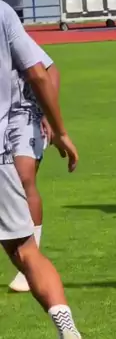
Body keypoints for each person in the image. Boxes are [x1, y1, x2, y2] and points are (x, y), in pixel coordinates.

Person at [0, 0, 99, 339]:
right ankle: (68, 332)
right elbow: (40, 72)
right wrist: (60, 129)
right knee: (27, 252)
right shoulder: (3, 12)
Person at [7, 40, 59, 293]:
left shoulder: (8, 29)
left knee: (23, 179)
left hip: (26, 114)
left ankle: (30, 266)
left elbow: (49, 70)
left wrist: (48, 113)